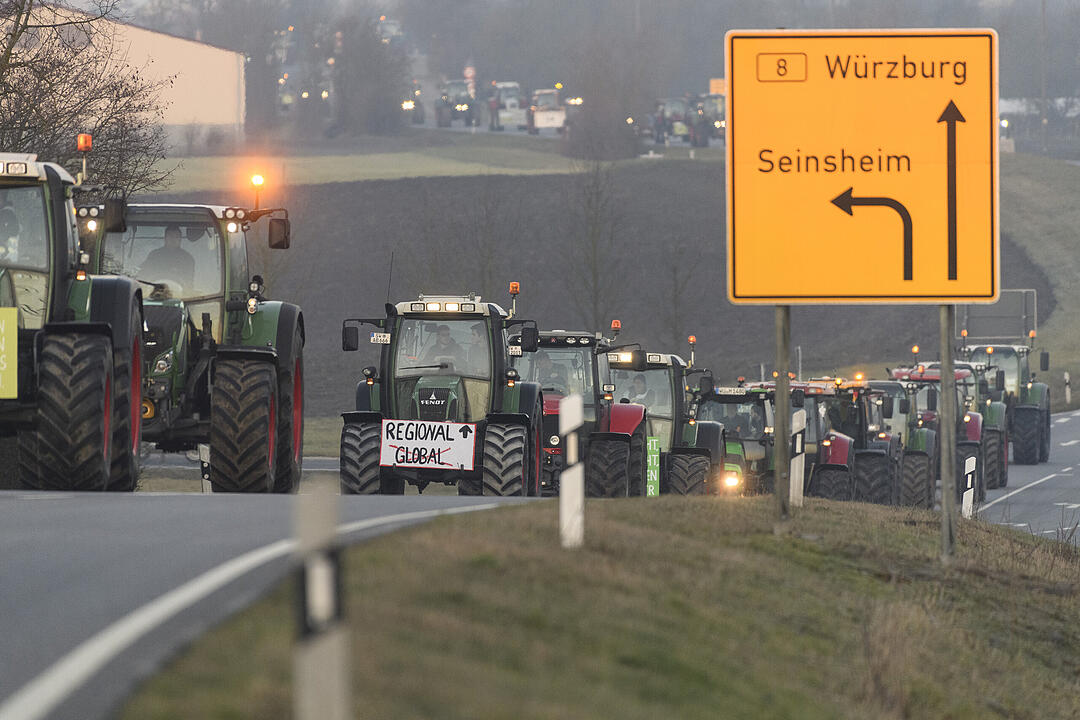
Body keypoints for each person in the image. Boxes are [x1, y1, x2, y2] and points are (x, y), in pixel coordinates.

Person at [140, 224, 195, 290]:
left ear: (180, 239)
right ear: (165, 238)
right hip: (153, 293)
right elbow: (143, 274)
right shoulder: (154, 255)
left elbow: (189, 282)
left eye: (176, 237)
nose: (173, 239)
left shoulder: (187, 258)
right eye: (170, 236)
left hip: (182, 296)